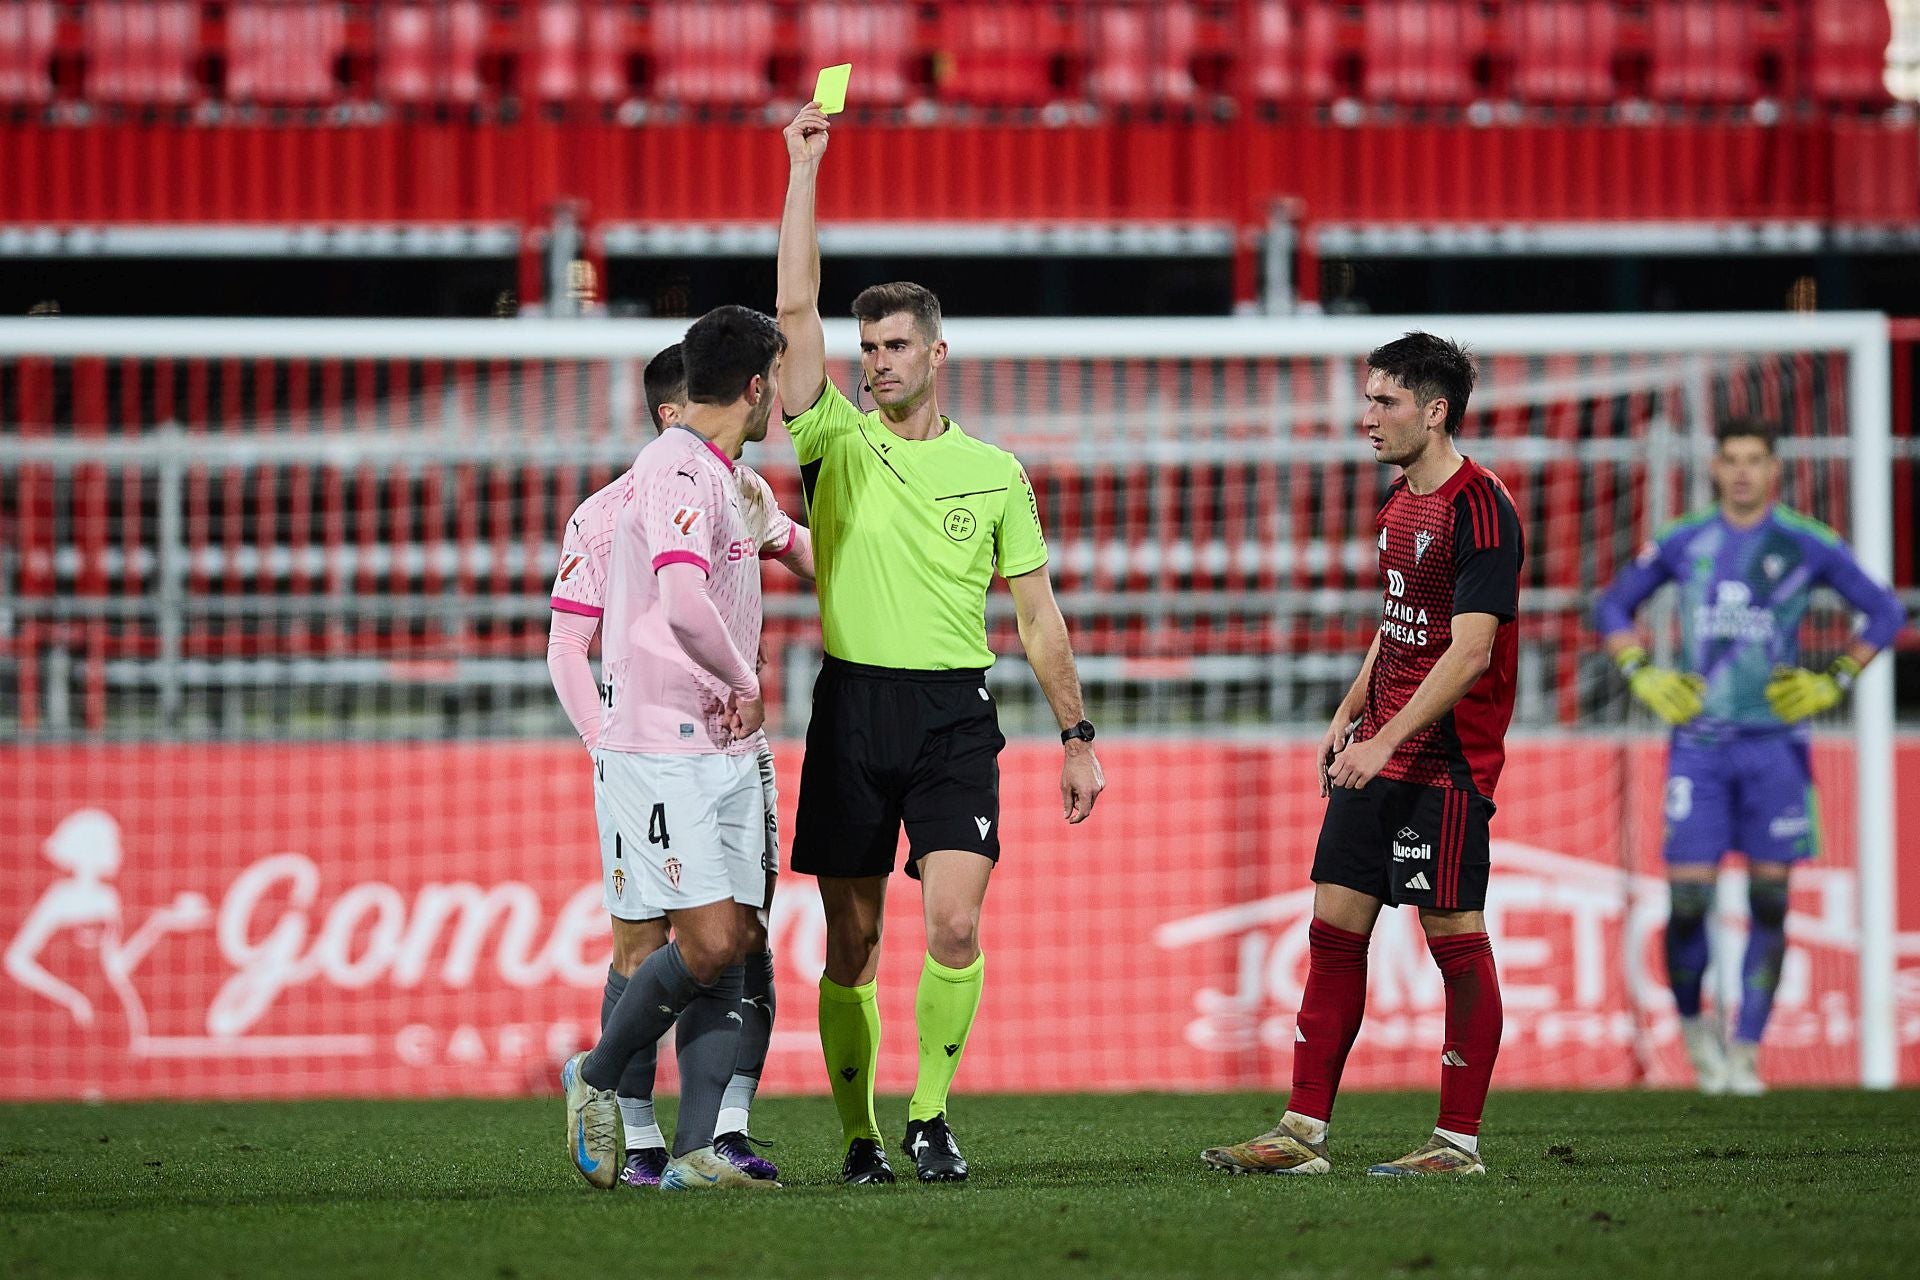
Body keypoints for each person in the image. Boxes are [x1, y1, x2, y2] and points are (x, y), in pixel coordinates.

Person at [776, 103, 1106, 1185]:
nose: (874, 362)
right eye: (864, 347)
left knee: (954, 922)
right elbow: (791, 307)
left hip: (955, 714)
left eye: (893, 345)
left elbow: (1039, 613)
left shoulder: (997, 471)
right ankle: (860, 1135)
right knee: (853, 943)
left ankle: (927, 1114)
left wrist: (1076, 731)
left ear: (937, 351)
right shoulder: (832, 437)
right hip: (853, 705)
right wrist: (803, 172)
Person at [1203, 332, 1522, 1177]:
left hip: (1443, 766)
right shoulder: (1398, 501)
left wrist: (1386, 738)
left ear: (1434, 410)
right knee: (1332, 934)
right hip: (1374, 754)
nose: (1367, 415)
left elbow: (1469, 652)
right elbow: (1402, 623)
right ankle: (1300, 1133)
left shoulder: (1481, 507)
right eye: (1368, 397)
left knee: (1455, 941)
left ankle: (1458, 1143)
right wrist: (1350, 711)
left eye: (1385, 401)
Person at [547, 343, 812, 1185]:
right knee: (646, 946)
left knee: (742, 939)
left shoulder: (740, 488)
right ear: (674, 414)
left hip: (737, 753)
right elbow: (566, 647)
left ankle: (712, 1138)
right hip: (649, 755)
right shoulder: (605, 512)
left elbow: (803, 547)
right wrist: (604, 743)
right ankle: (631, 1128)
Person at [1594, 418, 1903, 1096]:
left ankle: (1747, 1051)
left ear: (1774, 470)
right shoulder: (1684, 540)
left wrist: (1835, 678)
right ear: (1715, 468)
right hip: (1699, 747)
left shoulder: (1806, 542)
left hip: (1776, 748)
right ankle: (1694, 1026)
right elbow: (1613, 606)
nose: (1741, 471)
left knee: (1770, 899)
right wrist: (1642, 671)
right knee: (1686, 901)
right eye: (1730, 459)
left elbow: (1884, 611)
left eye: (1754, 460)